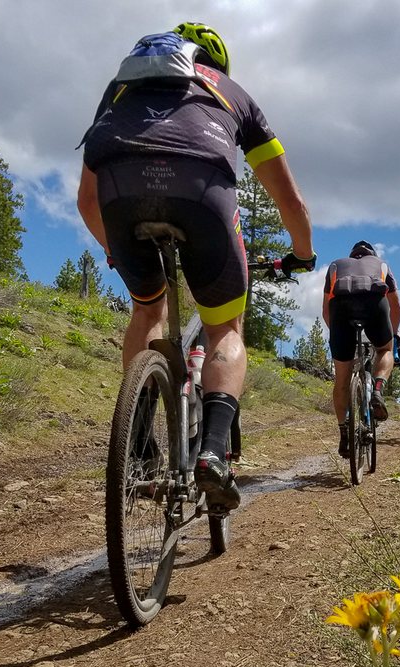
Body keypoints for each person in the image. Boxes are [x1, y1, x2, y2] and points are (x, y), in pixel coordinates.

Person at [77, 23, 315, 510]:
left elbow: (86, 201)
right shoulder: (232, 93)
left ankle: (139, 442)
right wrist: (303, 253)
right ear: (215, 65)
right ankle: (211, 454)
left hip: (121, 195)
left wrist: (115, 249)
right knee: (224, 327)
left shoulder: (120, 90)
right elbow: (289, 199)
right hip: (200, 193)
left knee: (148, 311)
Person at [322, 241, 400, 457]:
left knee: (341, 382)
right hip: (374, 304)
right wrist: (392, 336)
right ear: (371, 255)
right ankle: (376, 390)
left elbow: (326, 310)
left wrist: (339, 337)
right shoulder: (382, 264)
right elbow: (396, 306)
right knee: (385, 350)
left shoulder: (335, 266)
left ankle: (344, 433)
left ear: (352, 255)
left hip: (341, 310)